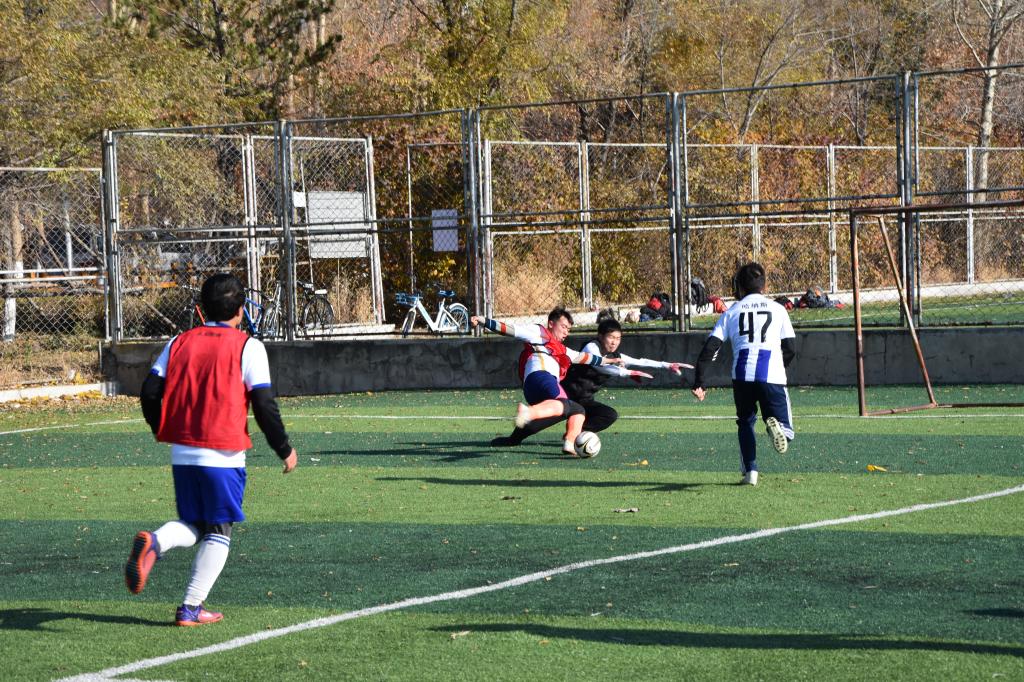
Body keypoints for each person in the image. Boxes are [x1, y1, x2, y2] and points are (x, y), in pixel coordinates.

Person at [128, 273, 298, 626]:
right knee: (219, 531)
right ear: (240, 310)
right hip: (223, 452)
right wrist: (284, 448)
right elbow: (264, 404)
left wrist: (161, 428)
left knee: (195, 523)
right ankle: (190, 606)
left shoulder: (178, 342)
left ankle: (157, 542)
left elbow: (149, 392)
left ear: (202, 309)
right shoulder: (248, 346)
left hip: (183, 451)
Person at [491, 317, 692, 446]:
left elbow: (640, 360)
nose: (614, 342)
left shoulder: (615, 355)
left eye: (618, 338)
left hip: (584, 400)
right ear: (600, 336)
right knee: (535, 424)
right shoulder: (591, 348)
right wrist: (626, 373)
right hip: (567, 395)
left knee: (609, 415)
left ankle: (575, 436)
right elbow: (601, 367)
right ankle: (513, 439)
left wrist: (667, 365)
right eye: (611, 337)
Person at [691, 262, 796, 486]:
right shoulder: (778, 309)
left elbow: (710, 348)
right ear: (764, 285)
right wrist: (781, 365)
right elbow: (790, 348)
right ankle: (779, 429)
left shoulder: (731, 312)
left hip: (741, 376)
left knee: (745, 422)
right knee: (786, 430)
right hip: (772, 374)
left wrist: (700, 381)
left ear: (739, 287)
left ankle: (750, 472)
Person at [471, 307, 623, 456]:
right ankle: (528, 412)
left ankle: (566, 444)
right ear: (551, 323)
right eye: (563, 327)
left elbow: (583, 357)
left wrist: (607, 360)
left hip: (533, 388)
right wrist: (483, 321)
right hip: (542, 377)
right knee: (564, 404)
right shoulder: (538, 332)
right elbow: (509, 329)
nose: (566, 332)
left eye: (568, 329)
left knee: (577, 410)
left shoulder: (562, 349)